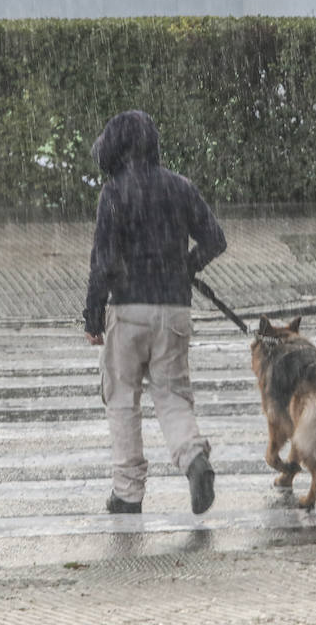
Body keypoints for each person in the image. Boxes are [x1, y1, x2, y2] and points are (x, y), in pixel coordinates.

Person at [82, 110, 227, 516]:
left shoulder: (114, 192)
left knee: (122, 398)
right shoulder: (180, 187)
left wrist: (93, 315)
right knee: (173, 395)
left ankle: (127, 494)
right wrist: (186, 266)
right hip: (174, 310)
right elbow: (215, 239)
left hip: (128, 311)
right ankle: (195, 459)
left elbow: (104, 261)